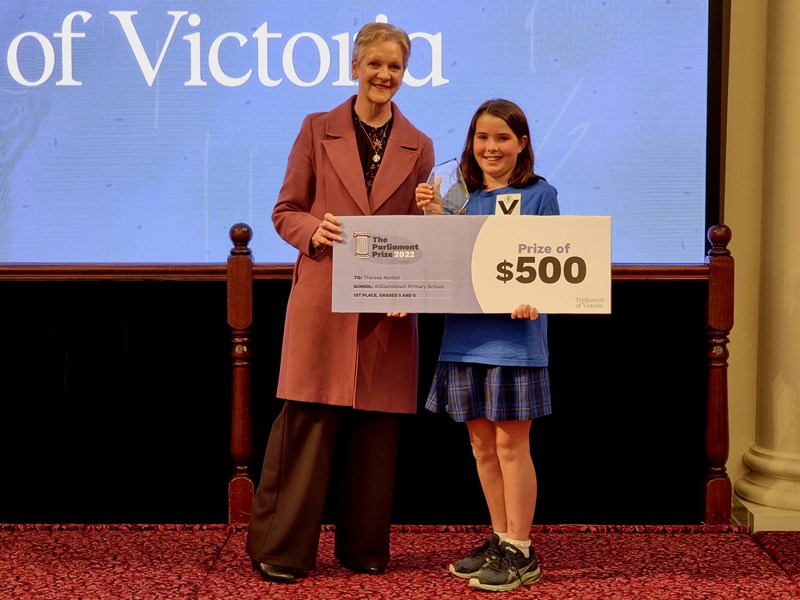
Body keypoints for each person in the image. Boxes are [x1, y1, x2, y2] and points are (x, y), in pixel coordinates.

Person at [246, 22, 434, 584]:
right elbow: (285, 211)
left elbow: (426, 236)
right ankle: (281, 549)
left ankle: (365, 548)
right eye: (375, 64)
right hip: (324, 295)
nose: (384, 76)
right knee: (307, 423)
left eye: (395, 67)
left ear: (404, 74)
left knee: (377, 433)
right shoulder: (315, 128)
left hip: (389, 305)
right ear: (355, 66)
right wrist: (313, 229)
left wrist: (431, 213)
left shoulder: (420, 146)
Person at [415, 98, 559, 592]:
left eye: (502, 137)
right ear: (470, 144)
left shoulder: (540, 195)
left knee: (511, 445)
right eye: (482, 137)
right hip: (463, 338)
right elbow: (443, 266)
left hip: (514, 343)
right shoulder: (458, 198)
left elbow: (553, 265)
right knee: (481, 446)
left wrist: (534, 294)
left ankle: (522, 548)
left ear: (522, 144)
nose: (490, 147)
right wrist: (433, 218)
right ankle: (500, 538)